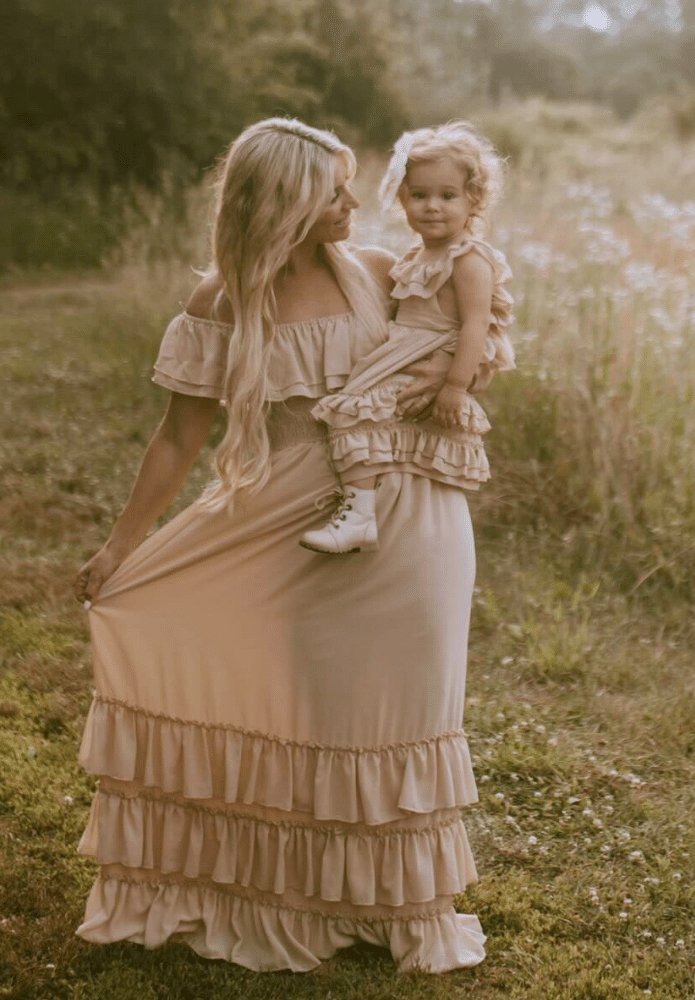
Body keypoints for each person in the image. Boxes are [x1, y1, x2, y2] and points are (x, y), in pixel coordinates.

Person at [73, 117, 487, 974]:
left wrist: (459, 374)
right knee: (309, 708)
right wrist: (122, 546)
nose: (352, 201)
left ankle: (400, 908)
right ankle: (288, 894)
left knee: (397, 714)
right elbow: (178, 436)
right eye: (333, 189)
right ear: (284, 201)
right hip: (296, 526)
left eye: (349, 185)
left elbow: (471, 328)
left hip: (415, 521)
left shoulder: (382, 273)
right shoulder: (221, 301)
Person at [299, 122, 515, 555]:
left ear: (474, 199)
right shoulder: (419, 255)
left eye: (447, 196)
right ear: (403, 199)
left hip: (429, 350)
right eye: (419, 195)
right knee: (359, 412)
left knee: (356, 411)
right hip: (404, 347)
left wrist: (454, 385)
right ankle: (364, 507)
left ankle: (359, 514)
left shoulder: (469, 259)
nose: (432, 207)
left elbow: (476, 325)